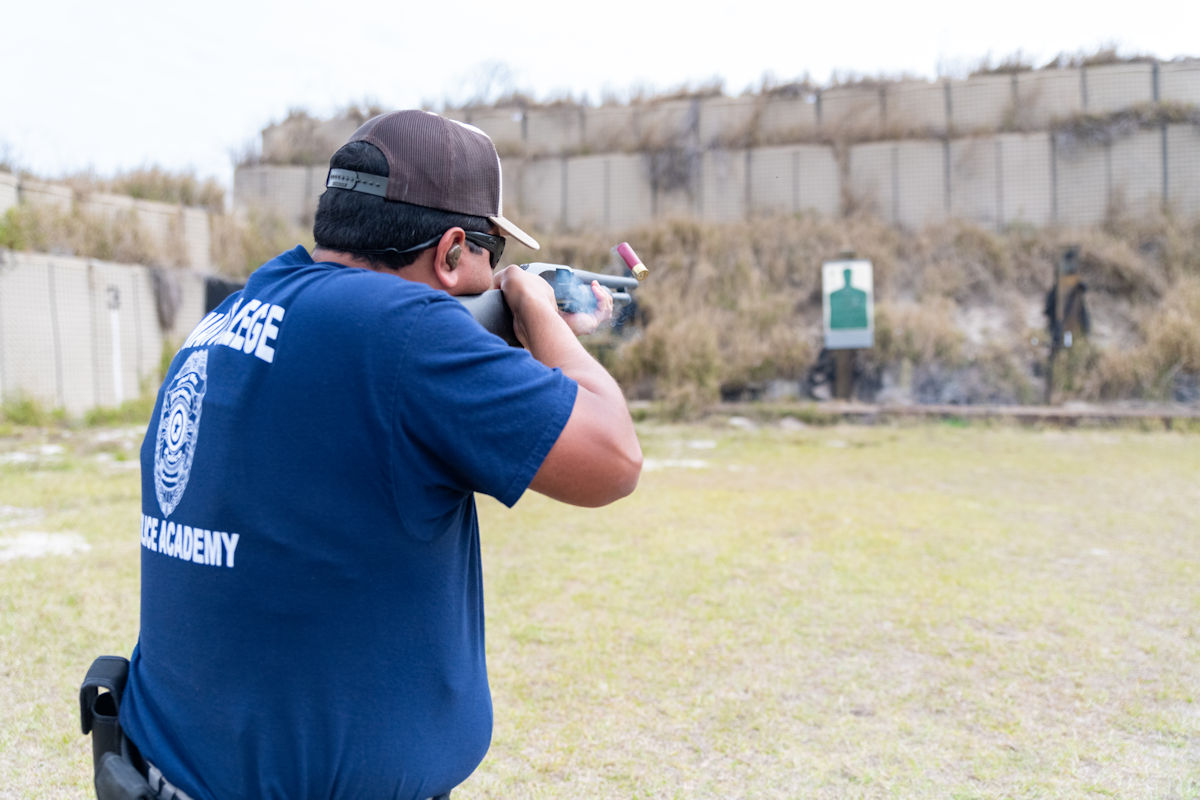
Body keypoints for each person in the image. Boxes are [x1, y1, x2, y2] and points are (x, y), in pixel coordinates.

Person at [117, 110, 642, 800]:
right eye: (495, 257)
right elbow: (614, 459)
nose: (500, 278)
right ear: (453, 252)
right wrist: (538, 311)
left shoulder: (239, 310)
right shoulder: (407, 332)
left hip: (166, 773)